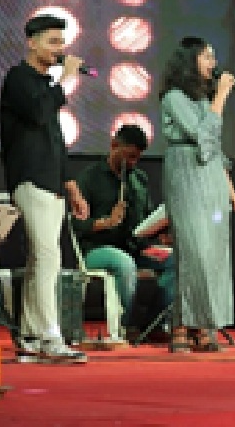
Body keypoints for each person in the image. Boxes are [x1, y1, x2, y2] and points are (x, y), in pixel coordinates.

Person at [0, 14, 89, 363]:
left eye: (61, 42)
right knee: (48, 256)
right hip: (30, 177)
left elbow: (56, 142)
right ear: (32, 42)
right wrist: (65, 79)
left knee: (42, 259)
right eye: (52, 42)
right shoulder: (18, 79)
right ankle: (50, 335)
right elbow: (38, 112)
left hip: (52, 183)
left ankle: (32, 335)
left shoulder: (44, 85)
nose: (59, 49)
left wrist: (72, 187)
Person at [159, 36, 235, 353]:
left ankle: (205, 323)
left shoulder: (204, 100)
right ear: (190, 61)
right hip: (185, 172)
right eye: (207, 57)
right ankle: (181, 324)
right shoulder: (174, 97)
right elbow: (202, 136)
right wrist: (221, 96)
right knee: (192, 251)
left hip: (212, 180)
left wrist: (231, 191)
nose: (213, 63)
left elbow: (216, 151)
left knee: (213, 254)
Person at [71, 124, 174, 337]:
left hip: (135, 247)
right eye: (129, 156)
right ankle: (127, 326)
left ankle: (153, 323)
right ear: (114, 145)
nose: (133, 162)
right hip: (97, 249)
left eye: (137, 158)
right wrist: (107, 222)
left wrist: (161, 231)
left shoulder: (139, 179)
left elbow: (147, 218)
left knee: (177, 260)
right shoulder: (90, 178)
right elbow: (76, 225)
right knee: (124, 263)